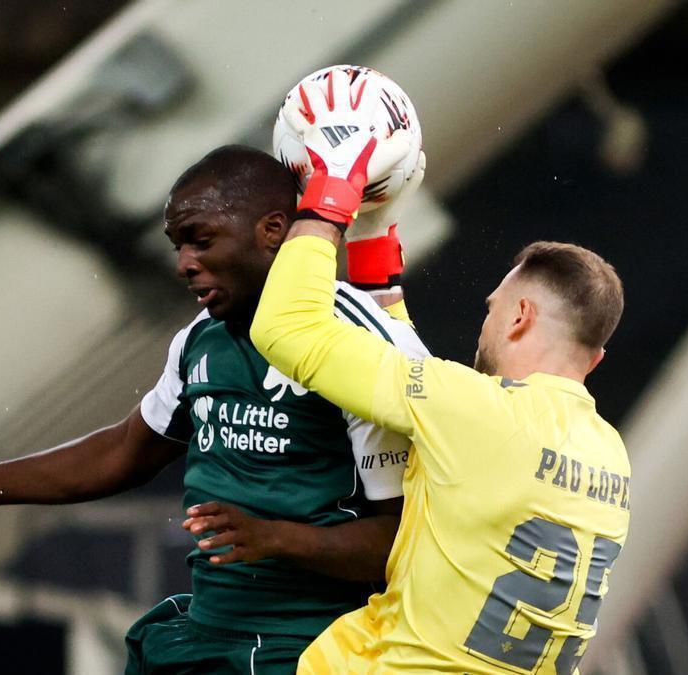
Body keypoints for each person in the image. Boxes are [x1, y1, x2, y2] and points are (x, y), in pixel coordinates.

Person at [0, 145, 429, 674]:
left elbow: (404, 543)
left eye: (202, 240)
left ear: (273, 231)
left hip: (315, 649)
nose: (184, 264)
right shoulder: (201, 340)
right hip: (206, 636)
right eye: (179, 247)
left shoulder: (365, 348)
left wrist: (278, 538)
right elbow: (122, 453)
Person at [250, 69, 630, 674]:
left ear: (520, 316)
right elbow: (409, 371)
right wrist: (375, 237)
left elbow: (286, 329)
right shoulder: (608, 455)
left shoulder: (473, 411)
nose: (483, 324)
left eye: (492, 310)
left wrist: (332, 192)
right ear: (595, 358)